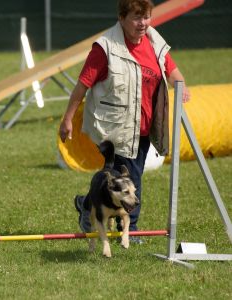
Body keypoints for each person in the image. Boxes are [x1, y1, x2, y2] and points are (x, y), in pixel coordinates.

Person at [59, 0, 190, 243]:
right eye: (137, 17)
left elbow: (170, 68)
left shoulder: (154, 41)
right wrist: (67, 119)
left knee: (113, 176)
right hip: (115, 127)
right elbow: (82, 85)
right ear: (121, 18)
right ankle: (132, 229)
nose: (143, 23)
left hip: (144, 127)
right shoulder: (105, 48)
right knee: (130, 177)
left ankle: (85, 204)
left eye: (147, 17)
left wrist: (182, 86)